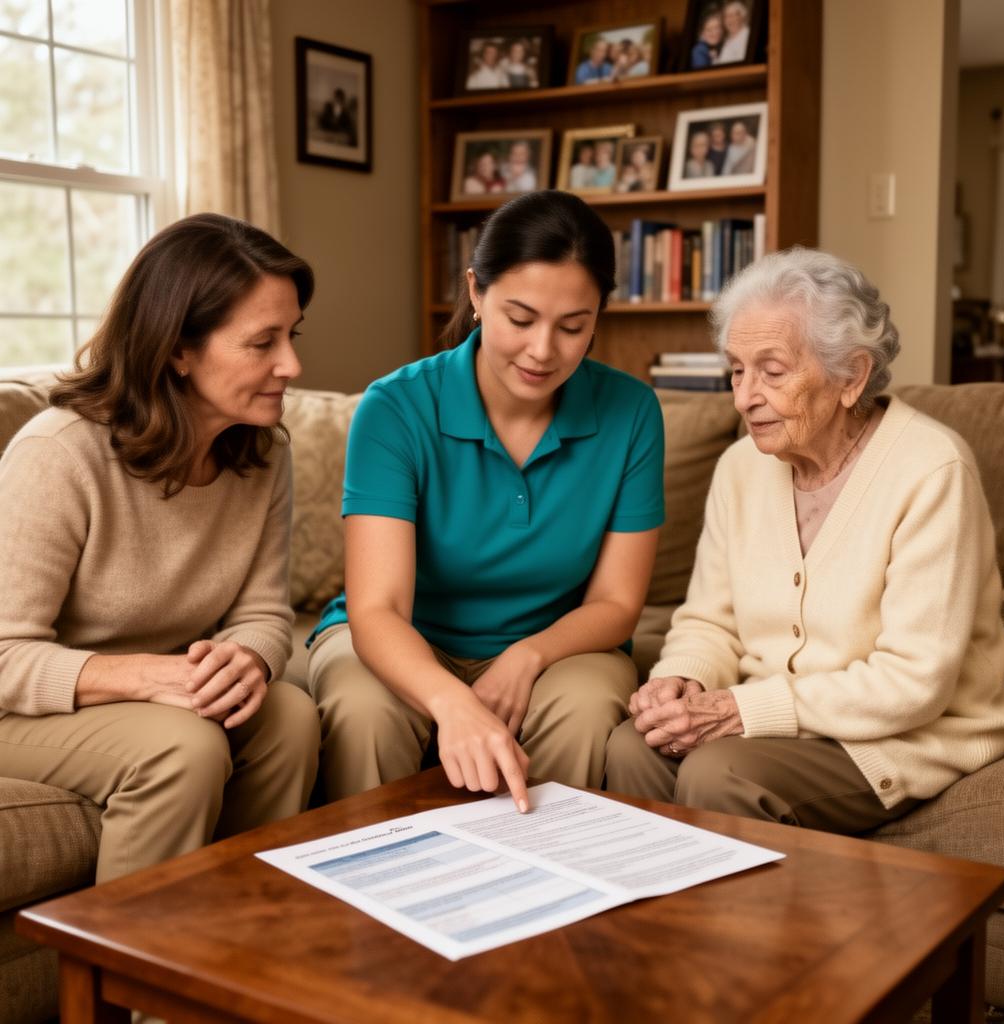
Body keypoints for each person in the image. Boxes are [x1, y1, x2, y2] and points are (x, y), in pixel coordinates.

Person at [606, 247, 1004, 834]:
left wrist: (739, 710)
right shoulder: (739, 468)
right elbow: (708, 621)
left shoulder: (931, 469)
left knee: (718, 772)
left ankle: (735, 927)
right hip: (781, 723)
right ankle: (652, 921)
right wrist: (683, 678)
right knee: (632, 746)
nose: (744, 396)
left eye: (772, 371)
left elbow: (914, 683)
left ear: (850, 376)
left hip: (902, 734)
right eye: (736, 369)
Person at [307, 190, 665, 808]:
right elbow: (378, 607)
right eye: (520, 319)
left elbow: (616, 603)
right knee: (365, 708)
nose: (543, 351)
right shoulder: (394, 408)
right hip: (402, 637)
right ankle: (369, 893)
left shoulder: (632, 412)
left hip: (557, 645)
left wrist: (528, 655)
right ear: (476, 292)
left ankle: (555, 891)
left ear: (598, 316)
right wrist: (450, 701)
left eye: (573, 326)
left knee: (584, 705)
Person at [0, 213, 321, 882]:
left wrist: (248, 660)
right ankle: (134, 984)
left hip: (149, 695)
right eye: (262, 342)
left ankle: (248, 945)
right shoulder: (58, 454)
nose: (291, 365)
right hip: (23, 708)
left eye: (291, 337)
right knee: (183, 746)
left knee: (289, 714)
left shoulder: (263, 455)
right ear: (178, 348)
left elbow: (264, 614)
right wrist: (147, 677)